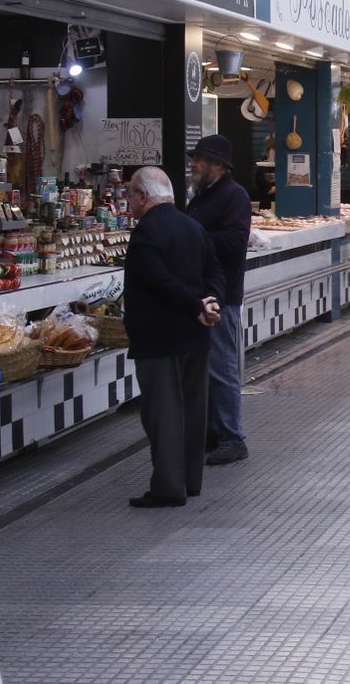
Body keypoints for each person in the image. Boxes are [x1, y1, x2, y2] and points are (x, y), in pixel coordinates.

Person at [123, 167, 223, 508]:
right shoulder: (192, 226)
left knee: (163, 413)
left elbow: (158, 281)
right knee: (193, 410)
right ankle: (190, 480)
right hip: (196, 334)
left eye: (131, 195)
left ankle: (168, 487)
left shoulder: (146, 233)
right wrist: (210, 302)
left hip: (159, 335)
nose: (129, 202)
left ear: (142, 195)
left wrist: (196, 304)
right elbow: (215, 270)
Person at [185, 135, 253, 467]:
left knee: (223, 366)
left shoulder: (234, 196)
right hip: (201, 294)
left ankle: (232, 437)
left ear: (217, 166)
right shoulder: (201, 196)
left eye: (198, 159)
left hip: (222, 296)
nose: (192, 164)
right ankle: (213, 432)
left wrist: (191, 237)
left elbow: (235, 242)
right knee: (206, 368)